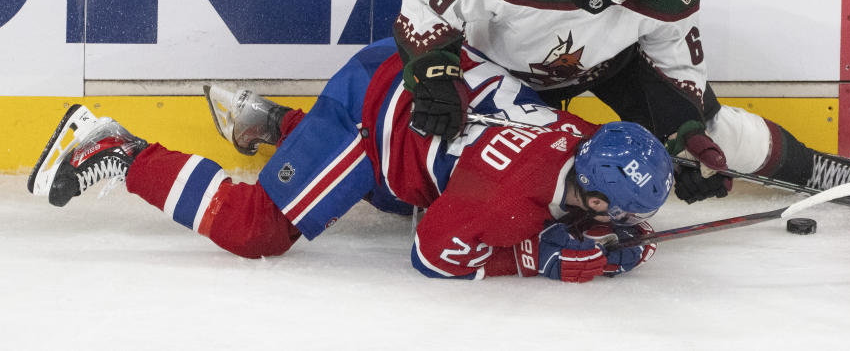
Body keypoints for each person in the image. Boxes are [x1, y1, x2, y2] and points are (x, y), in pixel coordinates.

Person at [27, 40, 672, 283]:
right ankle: (113, 146)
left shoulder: (585, 137)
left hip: (416, 91)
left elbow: (555, 193)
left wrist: (606, 231)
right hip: (371, 113)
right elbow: (432, 254)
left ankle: (275, 123)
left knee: (402, 189)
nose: (612, 221)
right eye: (610, 212)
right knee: (259, 229)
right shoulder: (501, 200)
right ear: (590, 195)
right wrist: (536, 259)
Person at [392, 0, 850, 204]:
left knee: (713, 134)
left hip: (611, 63)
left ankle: (815, 169)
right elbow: (425, 4)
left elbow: (677, 65)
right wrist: (436, 74)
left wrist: (686, 134)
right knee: (499, 165)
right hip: (503, 72)